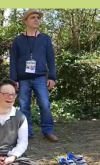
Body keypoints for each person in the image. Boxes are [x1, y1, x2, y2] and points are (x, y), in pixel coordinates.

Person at [9, 9, 58, 142]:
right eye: (33, 17)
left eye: (38, 17)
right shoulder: (18, 40)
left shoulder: (45, 39)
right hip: (23, 79)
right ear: (26, 21)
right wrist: (13, 79)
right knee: (24, 106)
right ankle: (26, 132)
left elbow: (51, 59)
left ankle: (48, 131)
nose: (36, 19)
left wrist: (52, 77)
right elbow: (13, 60)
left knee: (45, 104)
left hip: (40, 78)